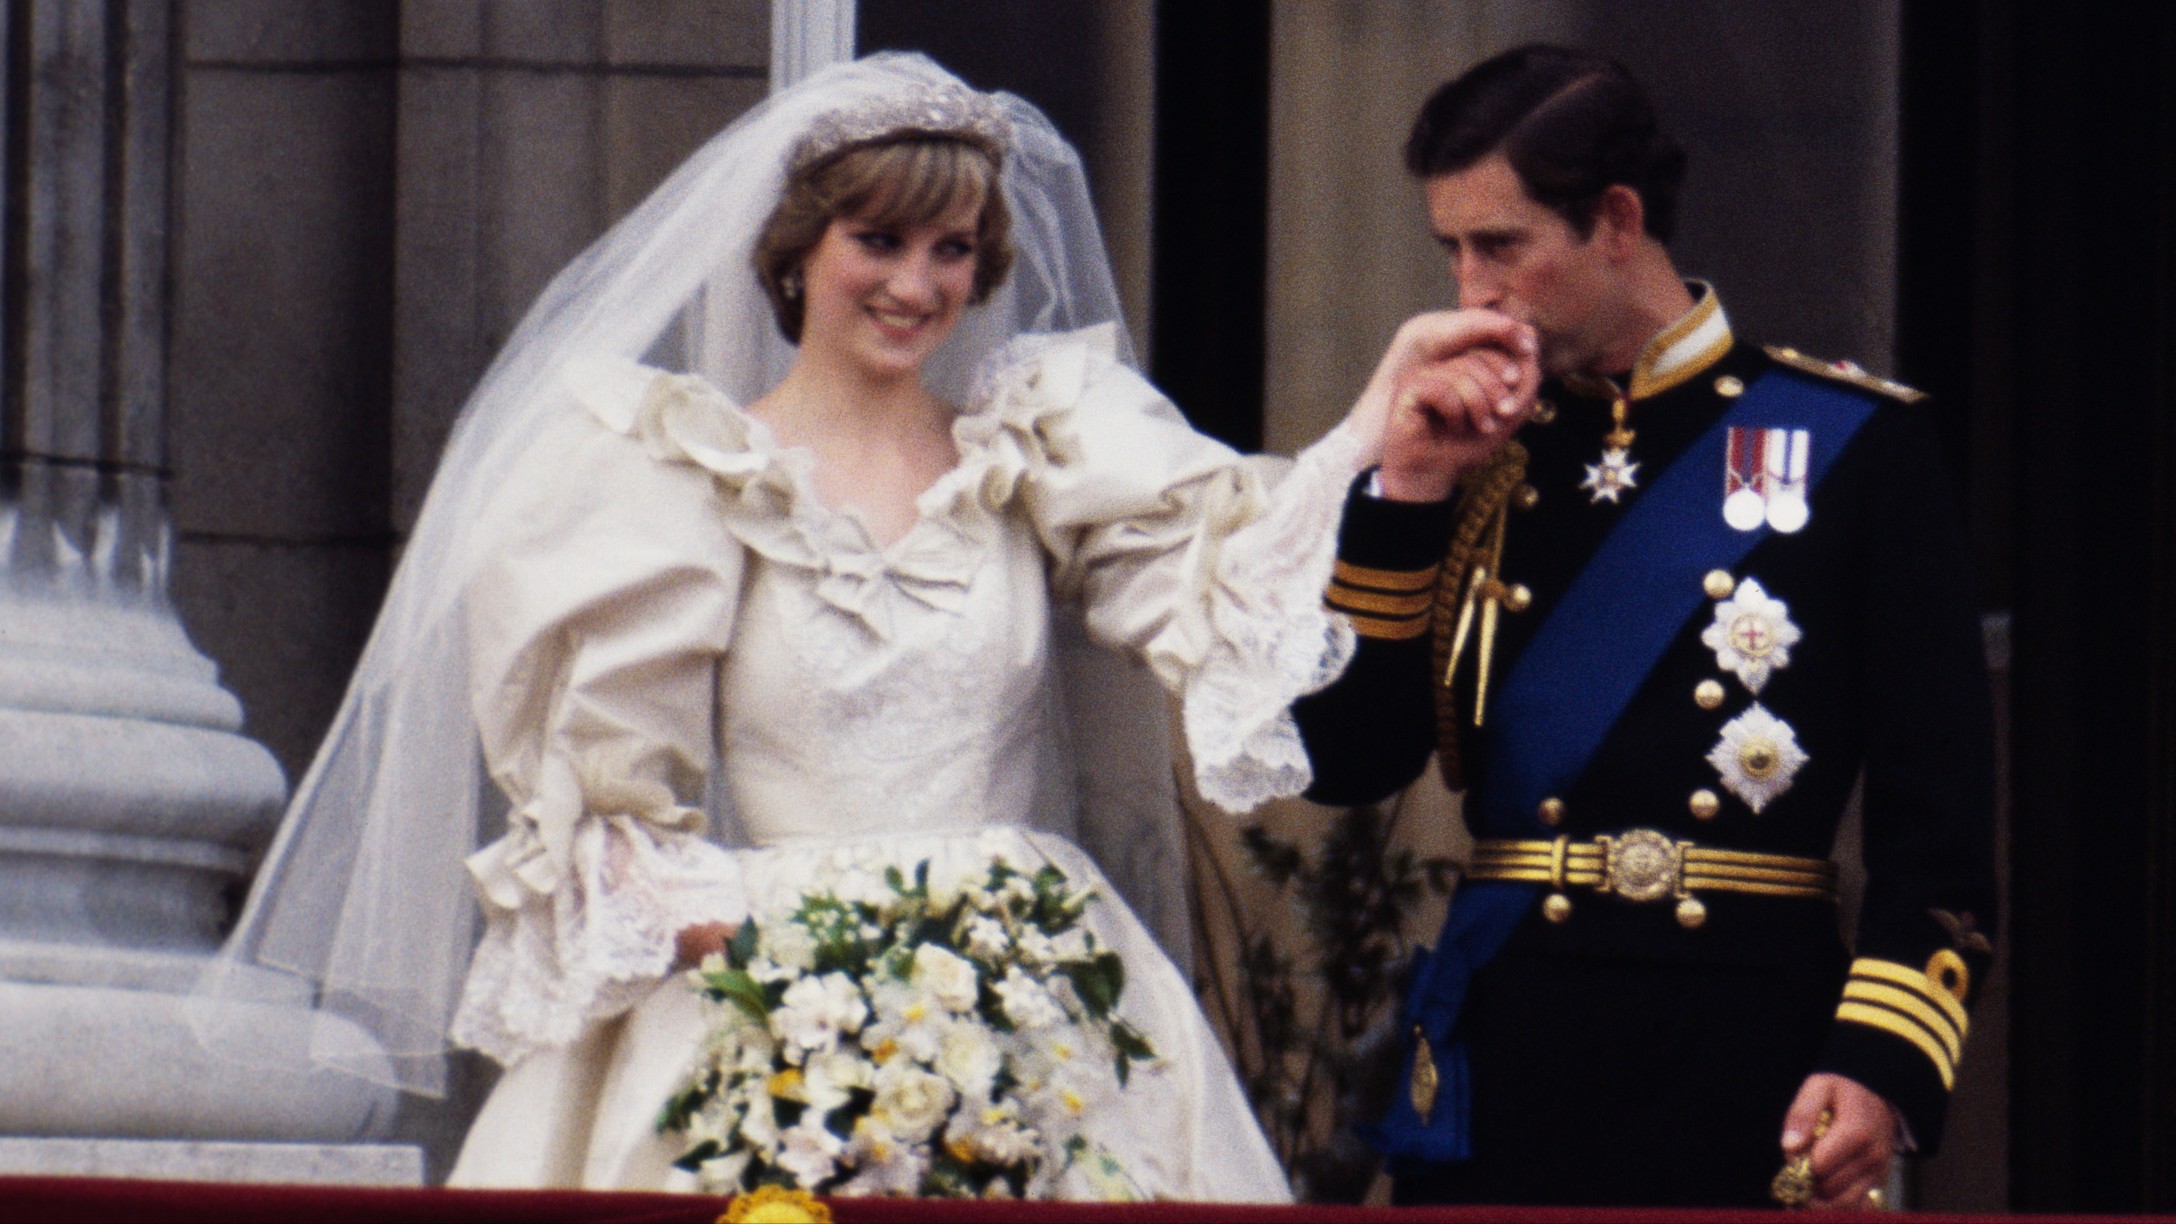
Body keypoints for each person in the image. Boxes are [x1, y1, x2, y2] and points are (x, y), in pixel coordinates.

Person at [195, 53, 1513, 1200]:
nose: (916, 284)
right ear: (796, 251)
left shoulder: (1037, 445)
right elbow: (611, 823)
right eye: (877, 242)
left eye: (950, 251)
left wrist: (1371, 445)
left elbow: (1226, 589)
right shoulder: (675, 474)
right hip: (765, 1000)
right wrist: (829, 999)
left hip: (1036, 995)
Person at [1292, 45, 1997, 1210]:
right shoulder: (1463, 452)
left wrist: (1876, 1061)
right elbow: (1342, 762)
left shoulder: (1856, 447)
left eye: (1500, 246)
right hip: (1509, 1043)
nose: (1468, 289)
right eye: (1452, 250)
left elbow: (1942, 825)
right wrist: (1403, 496)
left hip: (1746, 1046)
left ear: (1615, 221)